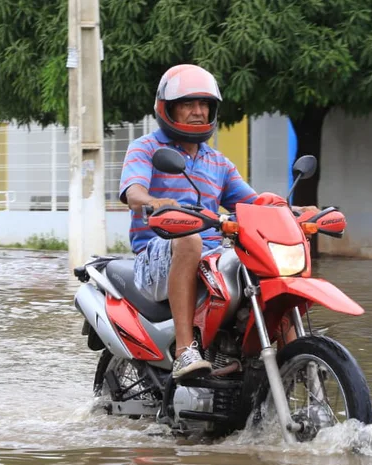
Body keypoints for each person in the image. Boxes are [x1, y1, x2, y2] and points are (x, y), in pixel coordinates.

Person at [119, 64, 316, 379]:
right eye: (188, 104)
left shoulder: (218, 162)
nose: (198, 112)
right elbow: (134, 192)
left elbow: (253, 203)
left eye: (204, 105)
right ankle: (185, 351)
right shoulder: (146, 149)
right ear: (167, 108)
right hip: (157, 254)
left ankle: (294, 356)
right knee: (189, 239)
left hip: (212, 256)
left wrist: (293, 211)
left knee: (266, 262)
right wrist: (154, 202)